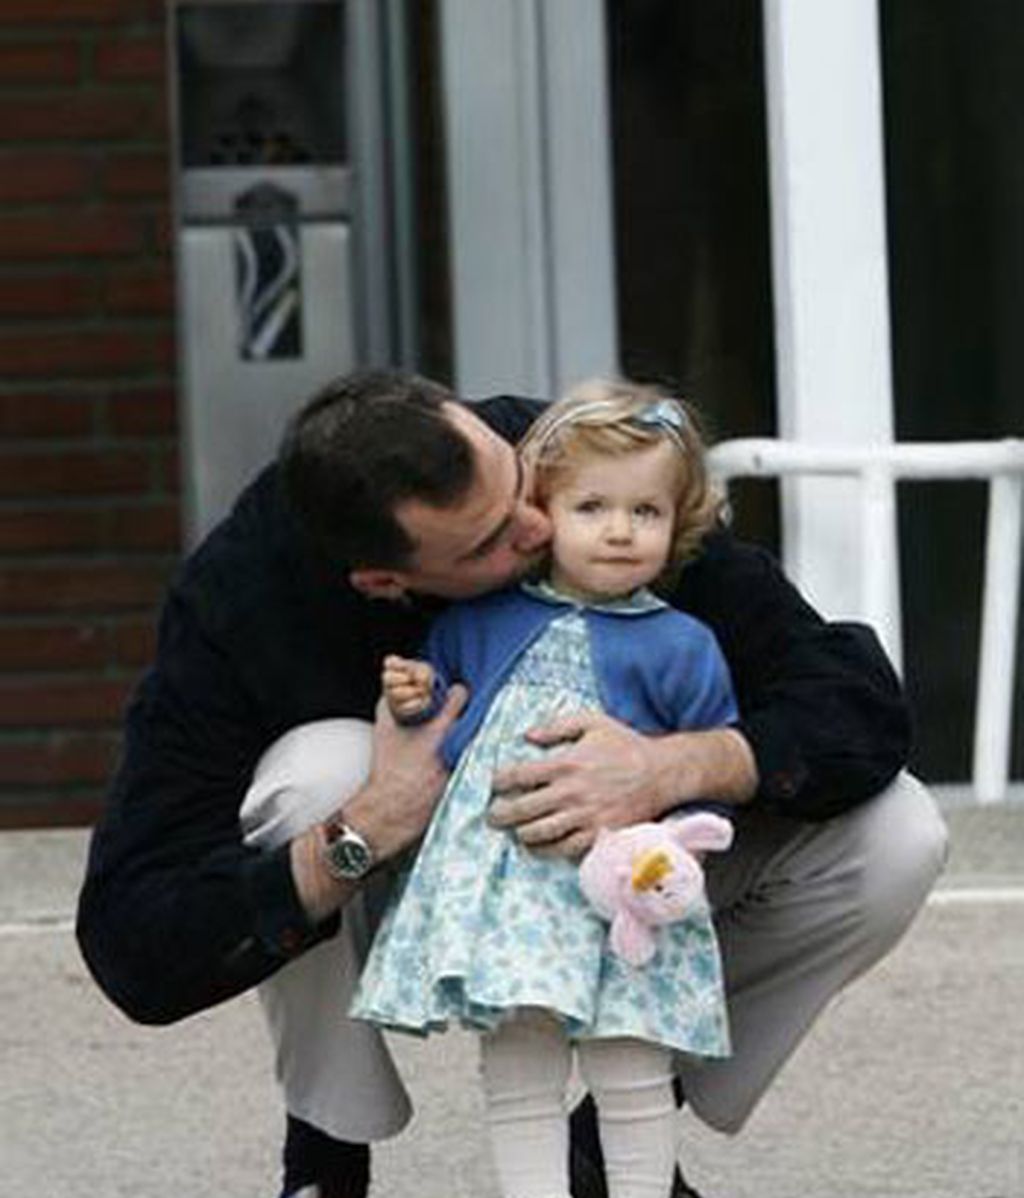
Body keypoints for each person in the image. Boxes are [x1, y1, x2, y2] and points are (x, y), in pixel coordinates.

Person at [75, 368, 948, 1198]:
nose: (537, 528)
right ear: (387, 581)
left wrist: (669, 766)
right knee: (315, 772)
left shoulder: (582, 474)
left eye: (518, 483)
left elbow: (854, 699)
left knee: (897, 834)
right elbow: (133, 942)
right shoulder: (244, 596)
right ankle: (327, 1149)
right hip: (418, 877)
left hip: (629, 870)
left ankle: (606, 1144)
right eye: (492, 540)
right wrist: (366, 827)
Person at [352, 382, 739, 1198]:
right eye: (592, 506)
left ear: (679, 525)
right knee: (520, 1062)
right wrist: (412, 690)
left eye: (646, 512)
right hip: (510, 899)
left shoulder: (683, 644)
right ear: (543, 511)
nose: (620, 530)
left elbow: (707, 765)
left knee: (632, 1060)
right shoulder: (478, 621)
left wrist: (683, 847)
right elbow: (444, 722)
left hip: (621, 897)